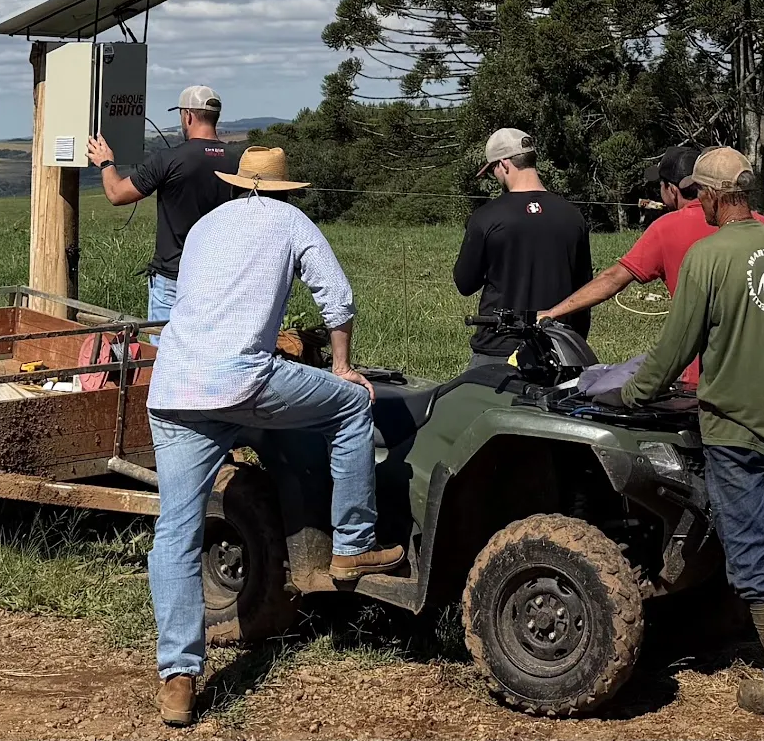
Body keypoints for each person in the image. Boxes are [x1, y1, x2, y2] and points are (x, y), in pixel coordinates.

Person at [142, 145, 400, 728]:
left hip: (175, 386)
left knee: (176, 532)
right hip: (241, 379)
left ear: (238, 183)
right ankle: (352, 544)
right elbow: (337, 298)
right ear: (285, 188)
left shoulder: (206, 225)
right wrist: (342, 366)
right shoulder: (292, 221)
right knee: (351, 406)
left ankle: (178, 678)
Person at [607, 148, 764, 723]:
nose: (695, 201)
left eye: (698, 193)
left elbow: (677, 345)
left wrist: (632, 394)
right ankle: (761, 634)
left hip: (733, 422)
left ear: (715, 196)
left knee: (752, 546)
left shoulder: (707, 255)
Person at [537, 144, 764, 386]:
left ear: (672, 190)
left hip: (701, 370)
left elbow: (613, 279)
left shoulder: (666, 228)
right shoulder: (750, 220)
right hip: (760, 369)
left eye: (661, 185)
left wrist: (552, 312)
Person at [95, 83, 237, 321]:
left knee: (163, 343)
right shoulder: (238, 161)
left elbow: (116, 194)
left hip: (173, 275)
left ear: (188, 116)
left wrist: (106, 162)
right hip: (220, 276)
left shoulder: (169, 159)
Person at [455, 128, 593, 359]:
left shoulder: (486, 217)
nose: (495, 176)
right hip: (559, 348)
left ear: (504, 164)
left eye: (493, 170)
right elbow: (584, 289)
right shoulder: (573, 216)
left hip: (499, 345)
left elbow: (465, 283)